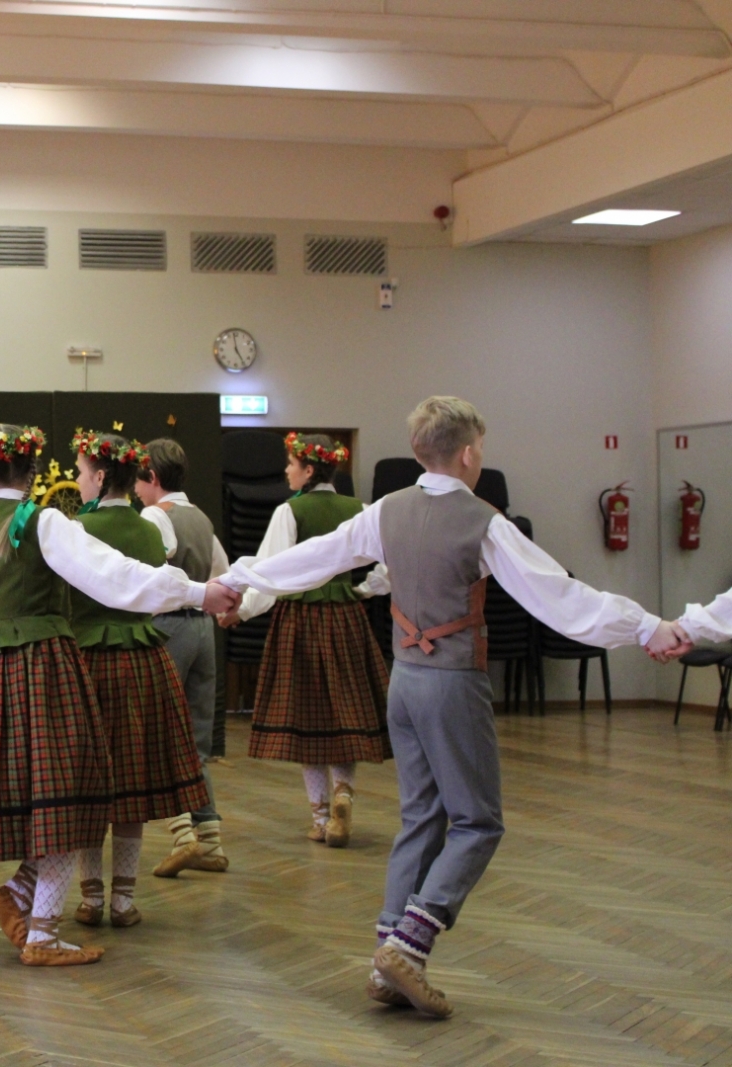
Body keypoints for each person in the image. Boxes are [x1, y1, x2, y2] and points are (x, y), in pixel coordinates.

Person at [218, 396, 688, 1018]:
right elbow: (559, 597)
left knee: (421, 818)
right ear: (467, 454)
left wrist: (239, 581)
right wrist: (647, 627)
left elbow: (310, 559)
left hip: (403, 682)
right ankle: (410, 945)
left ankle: (385, 962)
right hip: (450, 682)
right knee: (478, 821)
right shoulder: (483, 521)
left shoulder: (385, 510)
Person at [0, 424, 239, 967]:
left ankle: (25, 898)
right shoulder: (44, 520)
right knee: (64, 799)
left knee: (45, 798)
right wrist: (197, 591)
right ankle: (43, 931)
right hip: (46, 667)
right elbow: (113, 575)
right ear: (31, 472)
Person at [66, 431, 211, 929]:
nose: (77, 480)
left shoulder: (73, 530)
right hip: (143, 661)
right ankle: (124, 900)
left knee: (88, 786)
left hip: (86, 662)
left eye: (81, 472)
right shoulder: (152, 529)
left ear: (101, 476)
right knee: (130, 786)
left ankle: (90, 899)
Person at [222, 433, 390, 847]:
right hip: (346, 619)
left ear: (310, 470)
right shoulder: (361, 510)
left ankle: (319, 819)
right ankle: (343, 793)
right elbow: (389, 563)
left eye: (291, 464)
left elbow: (269, 572)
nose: (286, 471)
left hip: (300, 621)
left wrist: (240, 610)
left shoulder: (289, 511)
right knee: (345, 716)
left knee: (307, 720)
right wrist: (366, 590)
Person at [133, 438, 233, 877]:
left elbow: (146, 571)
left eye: (138, 480)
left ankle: (183, 835)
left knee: (156, 729)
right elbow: (222, 574)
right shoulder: (202, 518)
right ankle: (209, 840)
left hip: (168, 627)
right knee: (194, 739)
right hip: (203, 632)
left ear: (152, 478)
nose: (135, 489)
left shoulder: (155, 516)